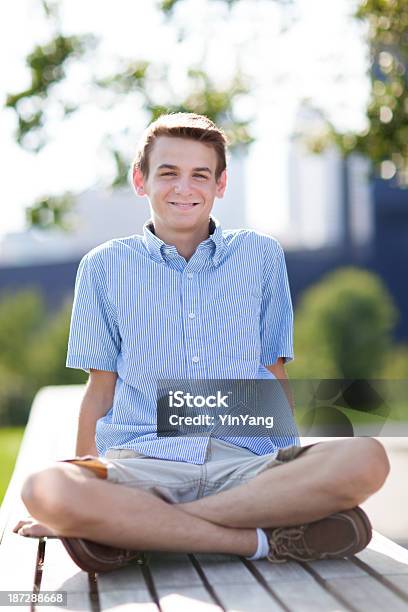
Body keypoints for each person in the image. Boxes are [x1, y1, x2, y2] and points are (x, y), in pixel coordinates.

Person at [14, 113, 389, 572]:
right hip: (144, 463)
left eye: (200, 175)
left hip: (246, 463)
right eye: (168, 173)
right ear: (140, 180)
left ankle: (137, 531)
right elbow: (101, 388)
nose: (184, 188)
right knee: (43, 489)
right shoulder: (103, 268)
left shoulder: (260, 255)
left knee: (366, 458)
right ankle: (257, 541)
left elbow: (274, 370)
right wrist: (72, 491)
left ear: (221, 184)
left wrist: (290, 468)